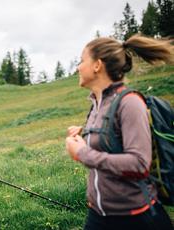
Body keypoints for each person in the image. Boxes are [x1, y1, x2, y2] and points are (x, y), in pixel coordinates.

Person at [65, 35, 174, 230]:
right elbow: (111, 139)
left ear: (97, 65)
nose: (78, 67)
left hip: (135, 218)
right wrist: (86, 133)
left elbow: (139, 164)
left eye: (82, 60)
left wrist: (81, 153)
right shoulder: (97, 105)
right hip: (98, 214)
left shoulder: (129, 103)